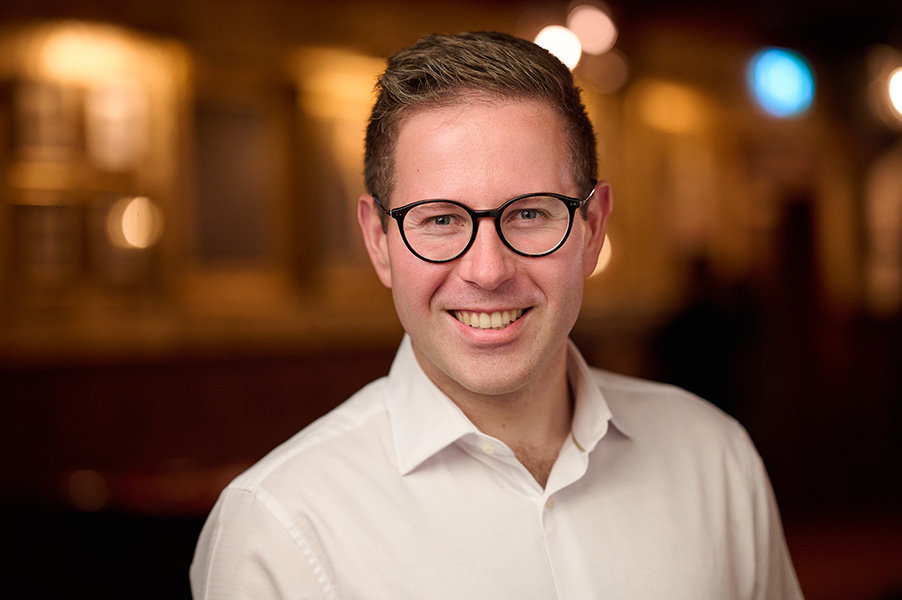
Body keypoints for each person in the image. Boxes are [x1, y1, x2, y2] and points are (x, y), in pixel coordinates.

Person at [190, 31, 803, 599]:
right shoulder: (278, 528)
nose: (487, 271)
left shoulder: (717, 460)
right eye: (440, 219)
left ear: (592, 228)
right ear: (378, 241)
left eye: (530, 213)